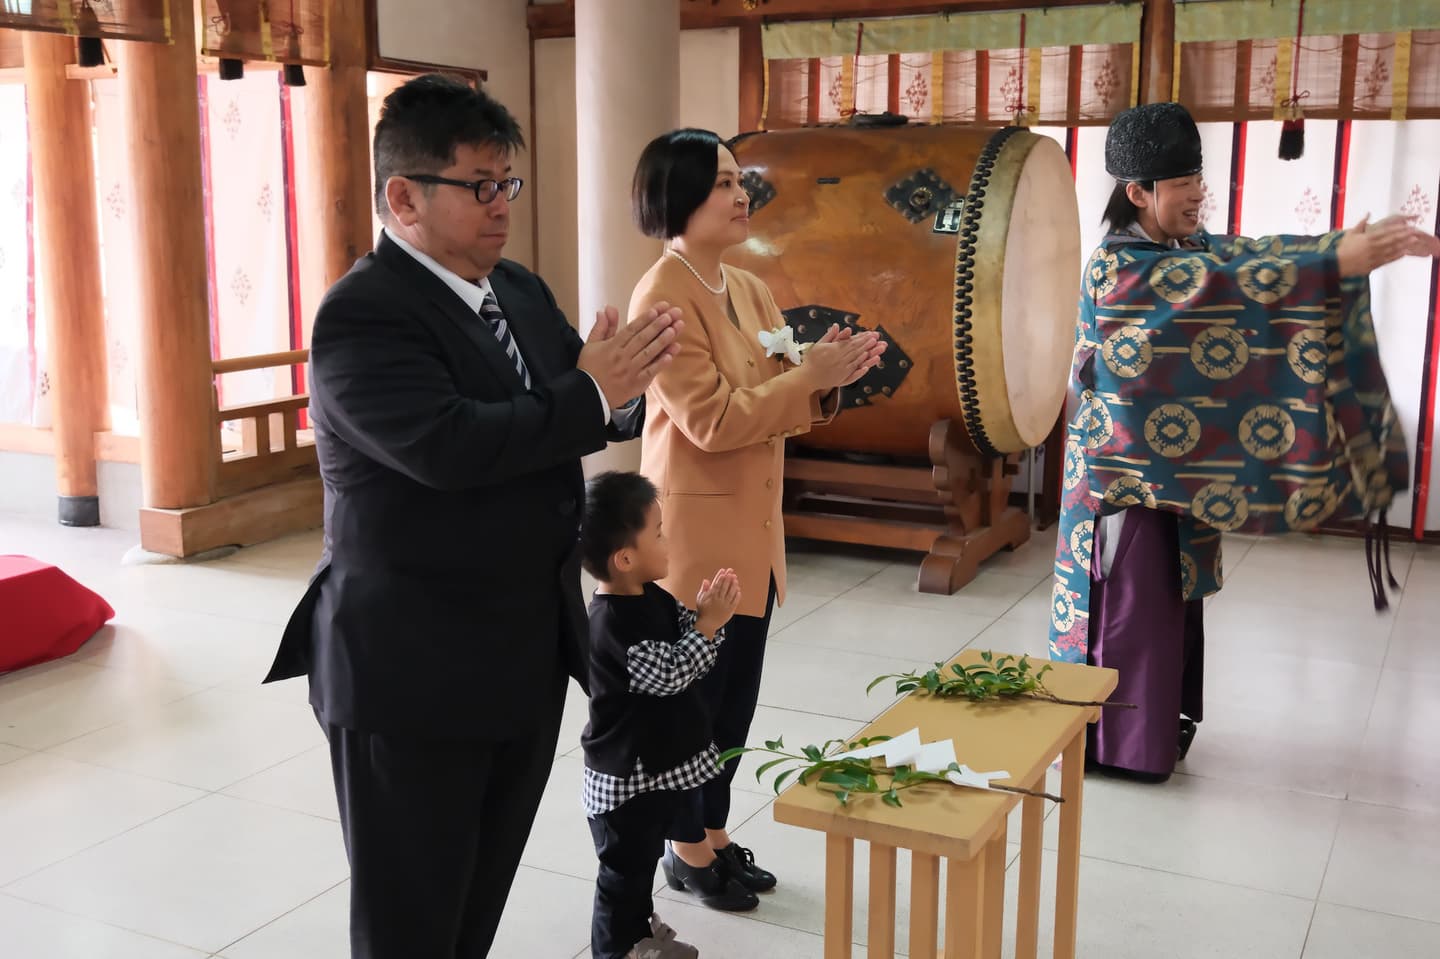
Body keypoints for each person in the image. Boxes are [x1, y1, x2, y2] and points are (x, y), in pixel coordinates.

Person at [262, 74, 684, 958]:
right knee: (411, 921)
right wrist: (591, 390)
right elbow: (448, 446)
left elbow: (576, 396)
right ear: (404, 198)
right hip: (410, 670)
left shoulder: (516, 289)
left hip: (519, 655)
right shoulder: (362, 316)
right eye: (480, 185)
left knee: (474, 902)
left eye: (508, 183)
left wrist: (626, 390)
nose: (502, 205)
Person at [1049, 101, 1439, 782]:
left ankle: (1155, 732)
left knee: (1168, 604)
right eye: (1182, 183)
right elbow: (1219, 286)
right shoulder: (1119, 268)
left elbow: (1250, 256)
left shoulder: (1182, 250)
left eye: (1198, 178)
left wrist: (1334, 248)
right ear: (1138, 193)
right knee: (1131, 608)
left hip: (1165, 467)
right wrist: (1332, 264)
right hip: (1122, 476)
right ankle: (1115, 747)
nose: (1198, 193)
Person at [627, 128, 886, 906]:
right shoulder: (661, 296)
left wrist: (827, 375)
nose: (741, 195)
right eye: (721, 184)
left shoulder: (747, 285)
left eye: (740, 180)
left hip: (754, 529)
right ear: (676, 196)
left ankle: (713, 831)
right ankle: (684, 848)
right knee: (692, 705)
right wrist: (806, 378)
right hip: (694, 536)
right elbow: (712, 420)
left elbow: (779, 392)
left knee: (733, 702)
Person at [579, 470, 745, 958]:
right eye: (658, 533)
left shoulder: (653, 596)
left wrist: (706, 618)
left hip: (651, 773)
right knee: (622, 875)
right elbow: (671, 672)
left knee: (640, 866)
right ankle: (617, 949)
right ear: (625, 558)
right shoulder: (611, 625)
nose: (668, 541)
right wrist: (707, 627)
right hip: (625, 782)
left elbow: (688, 643)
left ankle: (639, 937)